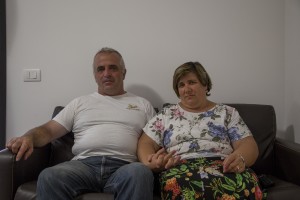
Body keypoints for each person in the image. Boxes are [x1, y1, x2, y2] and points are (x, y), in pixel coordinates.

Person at [6, 47, 157, 200]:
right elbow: (48, 130)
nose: (106, 74)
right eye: (100, 69)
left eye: (113, 68)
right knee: (49, 176)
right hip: (83, 166)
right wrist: (28, 137)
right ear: (95, 75)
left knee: (140, 172)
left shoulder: (143, 105)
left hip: (125, 167)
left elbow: (154, 140)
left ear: (124, 72)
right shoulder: (79, 103)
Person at [137, 61, 264, 200]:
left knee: (244, 185)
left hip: (224, 166)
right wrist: (152, 161)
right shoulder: (166, 115)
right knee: (182, 189)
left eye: (192, 82)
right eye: (181, 85)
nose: (187, 89)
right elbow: (145, 142)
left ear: (205, 85)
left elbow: (247, 144)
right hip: (181, 168)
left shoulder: (227, 113)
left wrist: (240, 157)